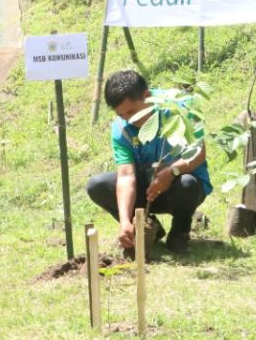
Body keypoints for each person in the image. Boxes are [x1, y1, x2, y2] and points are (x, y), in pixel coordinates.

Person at [86, 70, 210, 256]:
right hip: (145, 190)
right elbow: (126, 176)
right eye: (122, 115)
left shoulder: (180, 109)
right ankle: (147, 227)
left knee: (187, 184)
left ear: (147, 96)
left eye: (132, 112)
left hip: (179, 187)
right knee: (97, 185)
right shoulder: (122, 129)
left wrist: (171, 172)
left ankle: (179, 233)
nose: (130, 120)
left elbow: (198, 153)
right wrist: (125, 220)